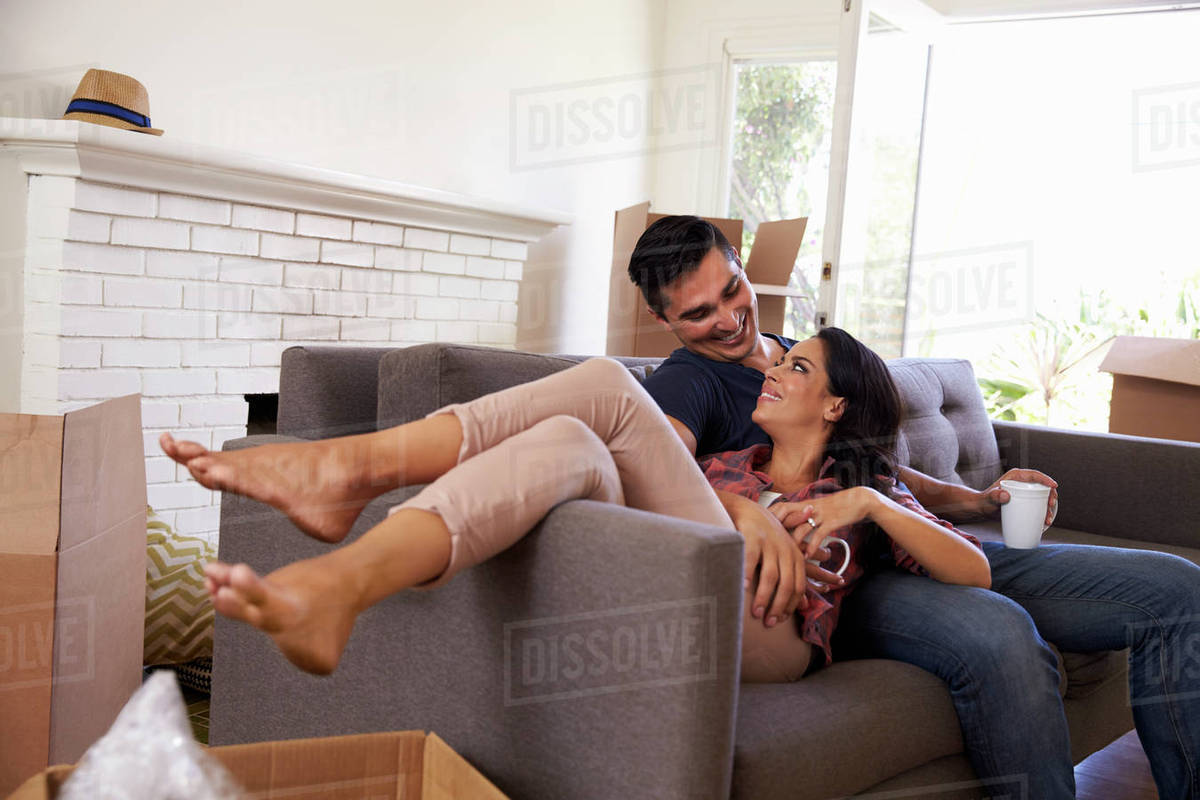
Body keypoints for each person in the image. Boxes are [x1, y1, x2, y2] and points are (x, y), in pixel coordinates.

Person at [627, 214, 1200, 800]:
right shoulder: (687, 382)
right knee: (1000, 634)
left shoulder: (796, 355)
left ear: (742, 268)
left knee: (1178, 591)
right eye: (698, 313)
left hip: (908, 534)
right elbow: (651, 474)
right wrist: (745, 512)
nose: (728, 320)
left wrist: (979, 498)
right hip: (850, 578)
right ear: (661, 317)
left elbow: (876, 470)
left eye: (731, 291)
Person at [161, 330, 988, 687]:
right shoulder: (729, 463)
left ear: (837, 407)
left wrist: (866, 506)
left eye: (797, 370)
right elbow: (685, 505)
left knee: (603, 385)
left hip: (772, 636)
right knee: (568, 438)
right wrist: (743, 511)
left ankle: (354, 469)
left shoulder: (866, 490)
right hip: (690, 585)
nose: (771, 370)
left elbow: (975, 567)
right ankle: (338, 587)